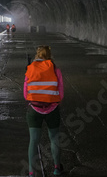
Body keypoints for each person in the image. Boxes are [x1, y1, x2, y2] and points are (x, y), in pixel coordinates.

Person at [24, 45, 64, 176]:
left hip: (34, 110)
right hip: (52, 109)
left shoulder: (30, 69)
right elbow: (61, 94)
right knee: (54, 139)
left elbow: (25, 94)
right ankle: (57, 168)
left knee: (33, 140)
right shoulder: (55, 70)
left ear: (37, 55)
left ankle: (31, 172)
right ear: (49, 55)